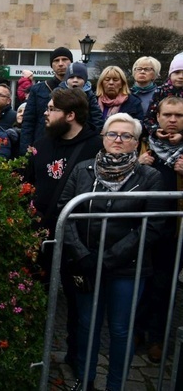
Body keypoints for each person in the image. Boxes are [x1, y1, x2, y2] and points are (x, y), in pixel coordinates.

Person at [59, 113, 164, 391]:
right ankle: (86, 382)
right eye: (112, 134)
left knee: (120, 330)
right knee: (87, 326)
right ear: (103, 138)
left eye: (126, 135)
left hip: (128, 269)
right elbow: (64, 211)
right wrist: (81, 254)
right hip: (86, 262)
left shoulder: (149, 176)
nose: (118, 140)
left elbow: (151, 227)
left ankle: (116, 386)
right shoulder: (83, 169)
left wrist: (105, 260)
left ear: (137, 142)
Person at [23, 88, 104, 370]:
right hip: (40, 235)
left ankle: (76, 359)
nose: (46, 113)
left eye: (52, 109)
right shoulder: (42, 143)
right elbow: (28, 181)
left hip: (76, 238)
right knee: (34, 296)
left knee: (76, 303)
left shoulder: (95, 146)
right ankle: (32, 351)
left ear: (70, 115)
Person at [135, 96, 183, 362]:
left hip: (173, 231)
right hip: (142, 226)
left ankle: (157, 337)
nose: (173, 120)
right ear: (158, 116)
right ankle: (137, 330)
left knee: (164, 285)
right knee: (140, 280)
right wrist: (137, 166)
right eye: (168, 115)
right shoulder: (143, 145)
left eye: (179, 116)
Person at [20, 46, 74, 155]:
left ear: (71, 62)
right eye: (56, 60)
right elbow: (28, 122)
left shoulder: (79, 89)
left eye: (64, 59)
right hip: (42, 144)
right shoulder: (38, 89)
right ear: (51, 65)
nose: (60, 63)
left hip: (70, 145)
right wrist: (25, 150)